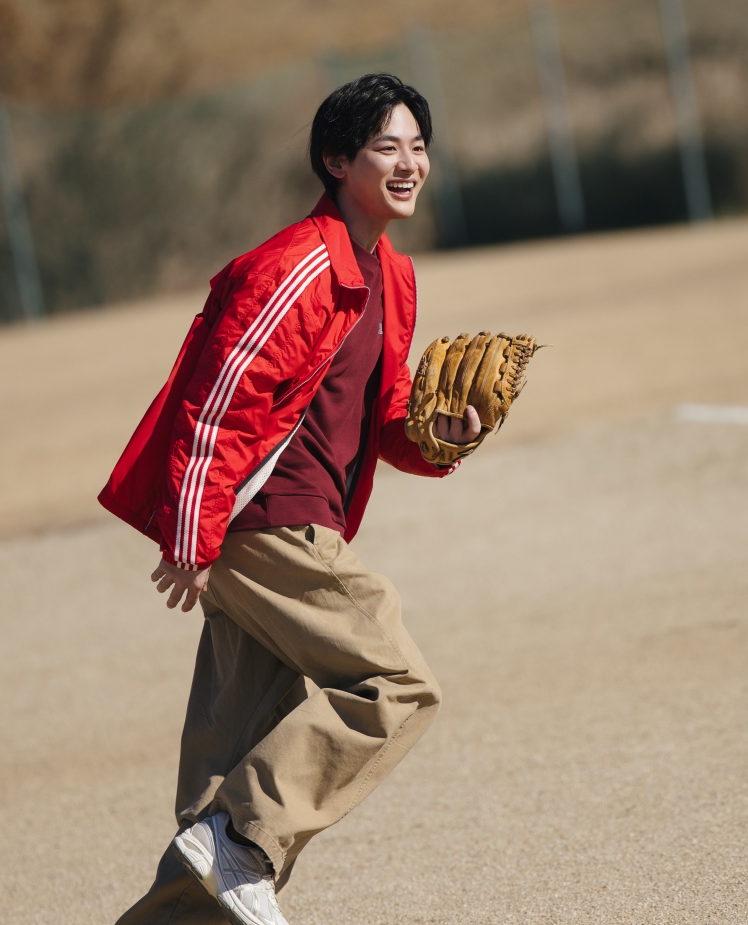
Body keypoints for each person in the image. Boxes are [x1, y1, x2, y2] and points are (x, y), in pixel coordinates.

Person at [100, 73, 480, 925]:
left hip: (278, 519)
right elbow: (217, 401)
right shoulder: (299, 265)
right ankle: (243, 837)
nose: (410, 162)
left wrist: (437, 435)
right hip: (266, 518)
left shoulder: (393, 275)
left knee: (225, 763)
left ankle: (211, 860)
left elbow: (379, 418)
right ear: (336, 159)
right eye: (388, 146)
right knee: (398, 681)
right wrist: (193, 536)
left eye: (419, 145)